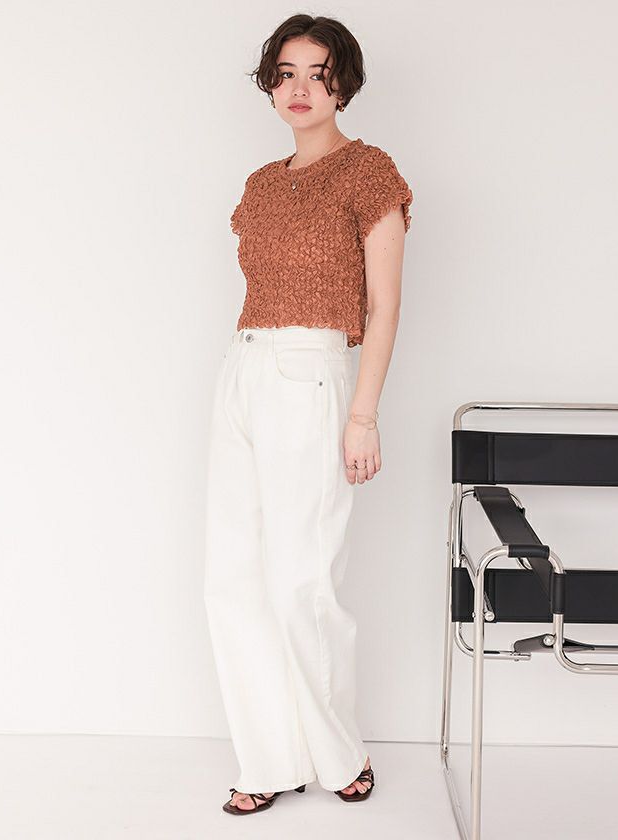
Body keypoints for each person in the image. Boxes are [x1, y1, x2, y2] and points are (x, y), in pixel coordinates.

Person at [203, 13, 413, 815]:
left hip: (310, 372)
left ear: (342, 85)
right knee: (233, 576)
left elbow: (385, 308)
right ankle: (267, 758)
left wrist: (363, 415)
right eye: (285, 73)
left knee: (302, 580)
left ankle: (339, 751)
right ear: (270, 84)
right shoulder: (260, 184)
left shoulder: (368, 171)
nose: (299, 89)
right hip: (243, 368)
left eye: (317, 75)